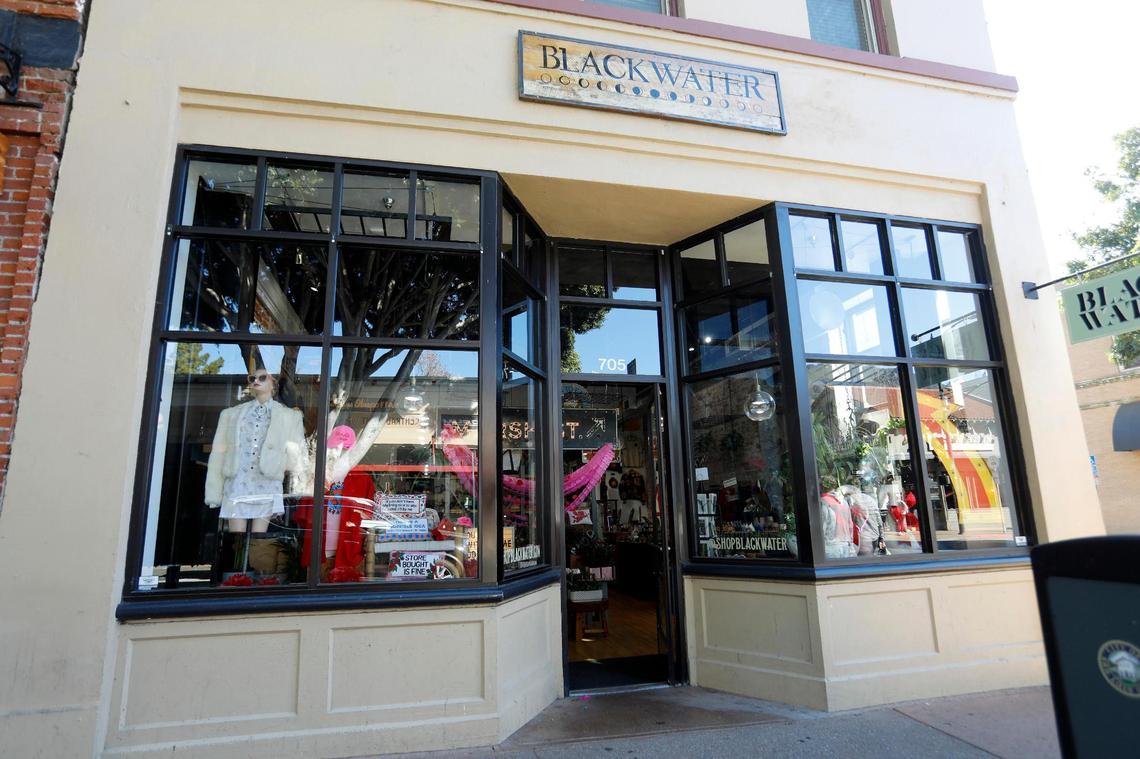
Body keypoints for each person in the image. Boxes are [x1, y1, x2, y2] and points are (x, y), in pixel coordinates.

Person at [204, 368, 306, 534]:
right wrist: (214, 491)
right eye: (252, 378)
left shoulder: (289, 416)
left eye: (262, 377)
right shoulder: (231, 415)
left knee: (259, 538)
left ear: (273, 384)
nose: (256, 381)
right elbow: (219, 454)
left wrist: (278, 465)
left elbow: (296, 453)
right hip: (238, 482)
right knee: (237, 537)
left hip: (267, 483)